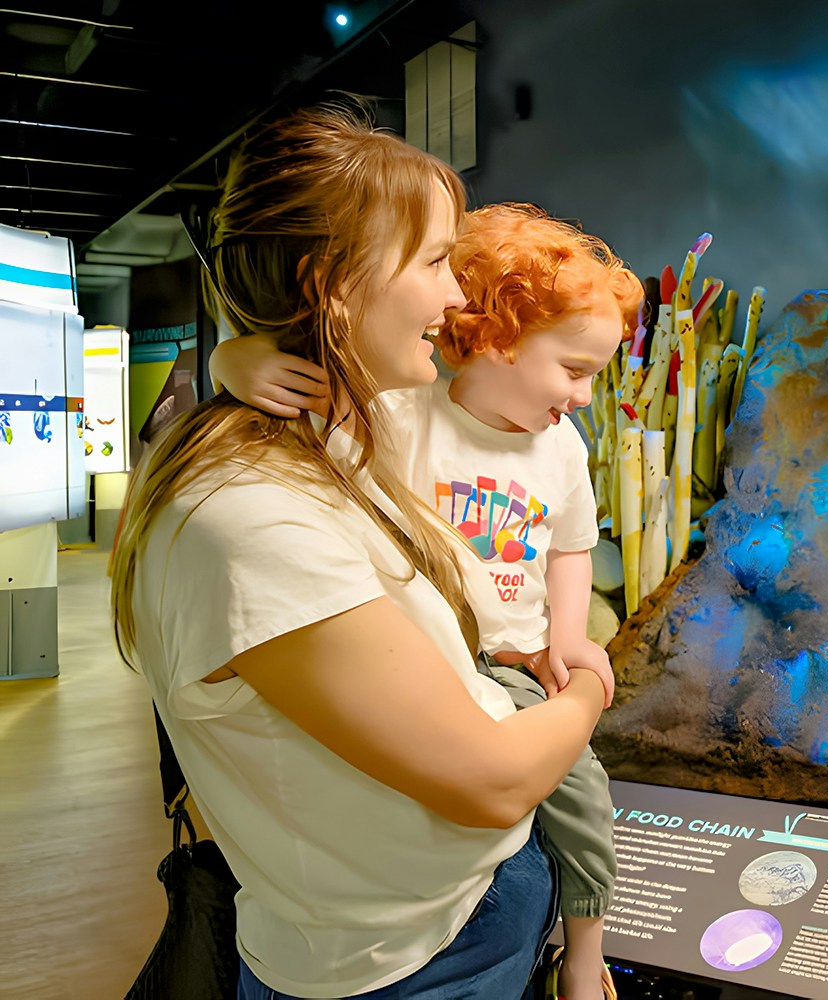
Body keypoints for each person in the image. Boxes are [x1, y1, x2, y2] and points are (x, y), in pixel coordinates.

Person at [110, 104, 607, 999]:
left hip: (448, 925)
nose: (456, 297)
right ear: (333, 283)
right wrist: (594, 687)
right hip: (409, 963)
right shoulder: (252, 515)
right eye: (431, 263)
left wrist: (237, 354)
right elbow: (493, 783)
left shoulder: (323, 441)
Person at [212, 203, 639, 1000]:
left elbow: (571, 547)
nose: (583, 396)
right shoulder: (407, 414)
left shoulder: (563, 450)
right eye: (574, 370)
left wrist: (568, 642)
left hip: (511, 666)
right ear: (502, 335)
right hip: (420, 657)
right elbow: (303, 394)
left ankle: (584, 954)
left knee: (582, 793)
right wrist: (233, 361)